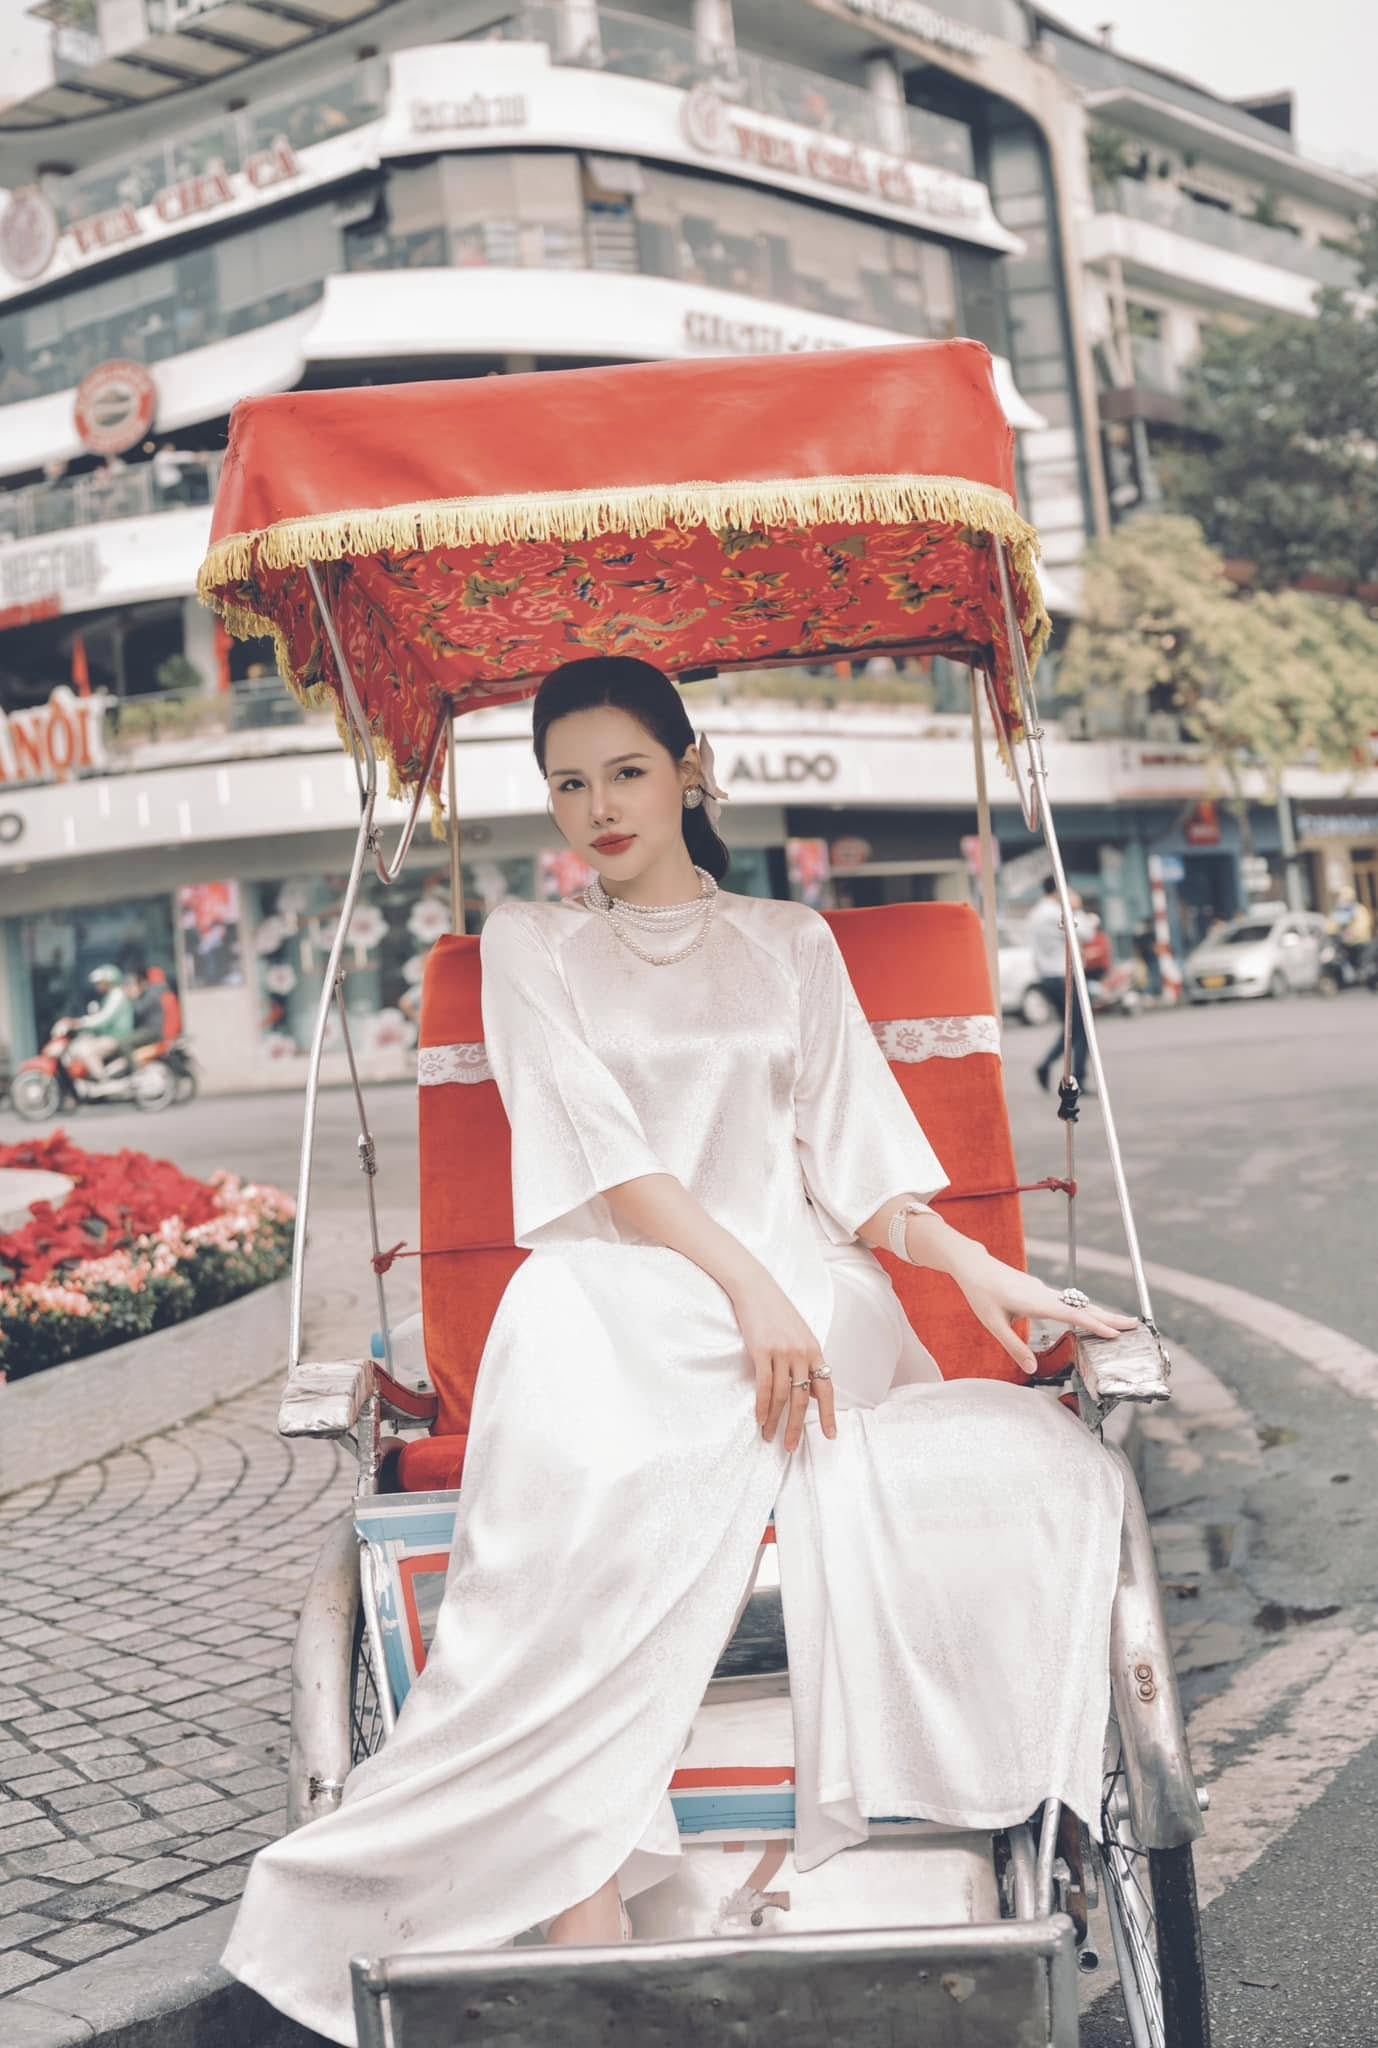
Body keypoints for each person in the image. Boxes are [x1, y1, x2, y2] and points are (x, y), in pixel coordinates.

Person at [220, 657, 1130, 2048]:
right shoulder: (532, 944)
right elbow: (600, 1156)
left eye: (627, 772)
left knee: (672, 1378)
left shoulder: (787, 941)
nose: (599, 807)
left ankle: (645, 1873)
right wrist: (741, 1285)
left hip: (803, 1297)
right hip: (629, 1288)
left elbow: (860, 1169)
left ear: (688, 771)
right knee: (566, 1346)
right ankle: (583, 1892)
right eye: (568, 783)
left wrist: (975, 1265)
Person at [1029, 875, 1091, 1094]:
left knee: (1073, 1027)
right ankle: (1076, 1077)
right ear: (1059, 891)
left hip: (1047, 976)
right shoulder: (1056, 913)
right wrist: (1078, 909)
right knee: (1081, 1028)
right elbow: (1086, 933)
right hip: (1062, 976)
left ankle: (1048, 1066)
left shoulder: (1036, 913)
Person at [67, 964, 135, 1081]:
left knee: (86, 1051)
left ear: (109, 981)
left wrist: (80, 1023)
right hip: (108, 1036)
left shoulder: (116, 995)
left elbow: (104, 1018)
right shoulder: (109, 996)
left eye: (100, 983)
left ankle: (102, 1080)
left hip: (116, 1037)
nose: (97, 986)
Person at [126, 967, 167, 1052]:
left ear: (143, 983)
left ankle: (132, 1062)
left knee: (124, 1044)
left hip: (152, 1031)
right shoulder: (148, 993)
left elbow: (139, 1010)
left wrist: (132, 997)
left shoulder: (151, 994)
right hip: (147, 1030)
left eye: (136, 985)